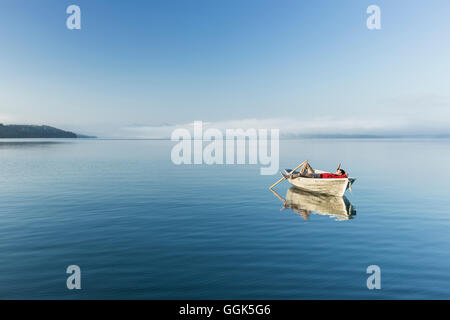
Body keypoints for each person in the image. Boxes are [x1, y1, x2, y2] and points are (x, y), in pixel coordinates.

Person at [281, 162, 348, 179]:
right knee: (306, 164)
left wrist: (345, 175)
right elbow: (338, 171)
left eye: (338, 171)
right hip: (315, 174)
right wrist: (338, 168)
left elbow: (344, 176)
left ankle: (288, 177)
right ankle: (303, 174)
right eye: (337, 170)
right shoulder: (335, 174)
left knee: (301, 174)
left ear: (340, 174)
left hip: (316, 176)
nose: (337, 171)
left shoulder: (338, 177)